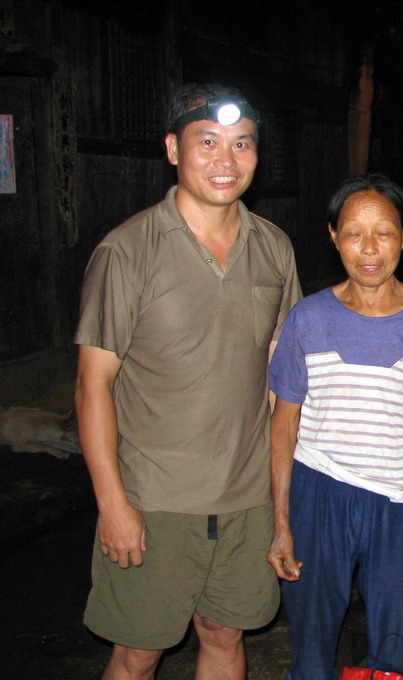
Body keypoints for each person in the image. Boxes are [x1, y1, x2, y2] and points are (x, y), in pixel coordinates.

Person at [74, 82, 301, 680]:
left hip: (247, 498)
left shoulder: (273, 247)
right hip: (155, 499)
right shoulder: (127, 252)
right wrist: (112, 504)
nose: (226, 160)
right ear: (174, 149)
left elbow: (281, 381)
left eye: (242, 144)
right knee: (137, 652)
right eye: (208, 142)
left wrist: (282, 499)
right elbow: (92, 386)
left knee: (225, 636)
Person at [267, 174, 403, 680]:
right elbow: (283, 424)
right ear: (333, 236)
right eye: (353, 232)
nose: (369, 248)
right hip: (318, 494)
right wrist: (281, 521)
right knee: (311, 642)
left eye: (384, 232)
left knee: (397, 646)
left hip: (399, 504)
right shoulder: (308, 318)